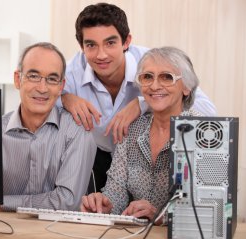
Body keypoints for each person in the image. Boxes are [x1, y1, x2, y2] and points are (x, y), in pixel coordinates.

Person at [59, 2, 216, 193]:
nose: (101, 54)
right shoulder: (69, 72)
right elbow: (40, 101)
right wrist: (65, 98)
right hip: (93, 157)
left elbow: (207, 112)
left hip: (141, 158)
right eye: (91, 45)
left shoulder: (151, 63)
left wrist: (143, 103)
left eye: (110, 43)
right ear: (81, 46)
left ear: (126, 42)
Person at [0, 42, 96, 218]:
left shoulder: (77, 132)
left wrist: (1, 203)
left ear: (61, 86)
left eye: (51, 79)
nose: (42, 88)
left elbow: (67, 201)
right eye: (34, 76)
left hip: (59, 237)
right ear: (17, 79)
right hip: (1, 234)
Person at [80, 46, 202, 224]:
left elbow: (209, 206)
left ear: (186, 88)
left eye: (167, 77)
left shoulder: (203, 134)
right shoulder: (132, 131)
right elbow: (116, 192)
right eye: (147, 77)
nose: (154, 85)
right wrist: (105, 206)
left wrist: (161, 216)